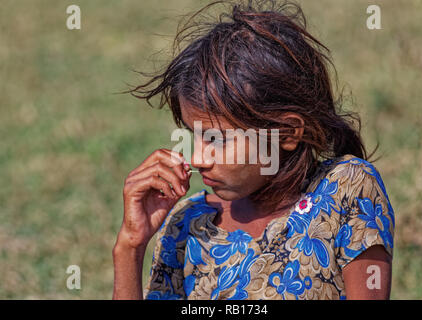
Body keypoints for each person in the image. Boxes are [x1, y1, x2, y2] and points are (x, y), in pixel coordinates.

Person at [112, 0, 395, 300]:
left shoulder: (345, 191)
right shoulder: (188, 223)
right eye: (193, 136)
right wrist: (130, 246)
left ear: (287, 132)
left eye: (216, 139)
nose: (197, 158)